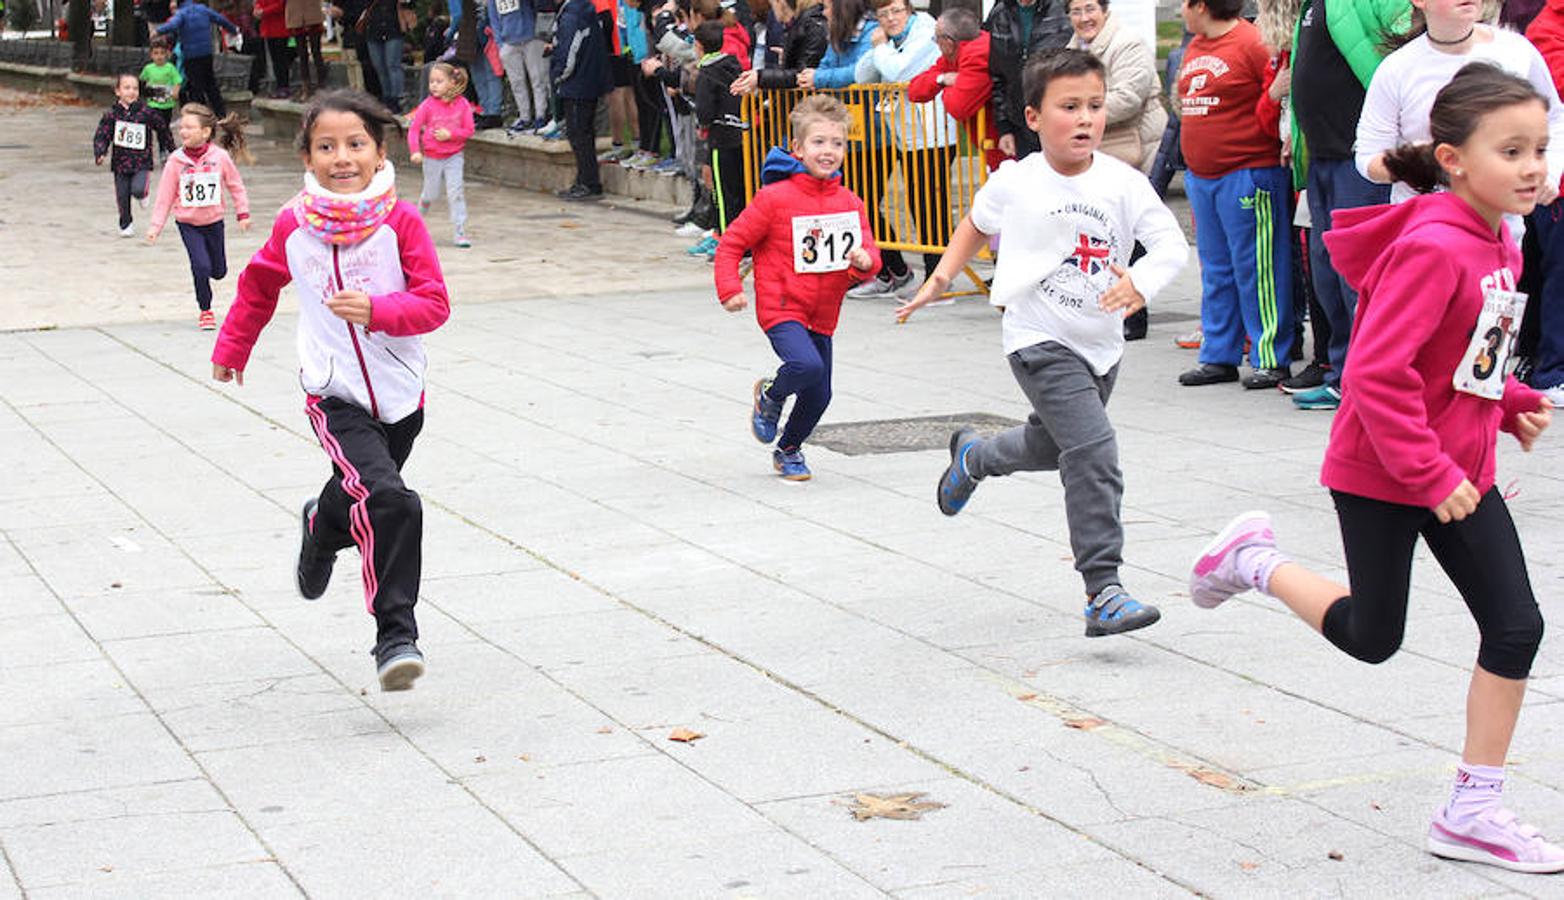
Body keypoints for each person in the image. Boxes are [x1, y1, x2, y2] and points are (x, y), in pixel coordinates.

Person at [1190, 64, 1563, 874]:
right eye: (1513, 150)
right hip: (1384, 472)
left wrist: (1508, 398)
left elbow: (1466, 350)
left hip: (1458, 469)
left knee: (1516, 625)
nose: (1534, 166)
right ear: (1455, 158)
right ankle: (1252, 559)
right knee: (1372, 637)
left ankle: (1472, 808)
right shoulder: (1435, 245)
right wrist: (1431, 474)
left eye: (1540, 146)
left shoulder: (1498, 232)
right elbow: (1375, 374)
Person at [897, 50, 1188, 637]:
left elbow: (1171, 246)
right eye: (1069, 107)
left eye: (1095, 107)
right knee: (1094, 451)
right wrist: (939, 279)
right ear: (1033, 117)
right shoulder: (1018, 180)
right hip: (1038, 338)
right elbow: (976, 223)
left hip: (1100, 345)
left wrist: (1140, 282)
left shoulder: (1124, 184)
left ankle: (974, 457)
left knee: (1056, 446)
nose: (1086, 119)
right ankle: (1103, 589)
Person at [213, 90, 451, 692]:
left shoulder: (401, 221)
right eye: (326, 146)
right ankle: (395, 636)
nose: (341, 158)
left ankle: (324, 524)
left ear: (378, 152)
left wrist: (379, 309)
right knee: (392, 501)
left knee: (366, 494)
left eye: (355, 145)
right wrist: (233, 346)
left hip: (400, 395)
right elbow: (260, 282)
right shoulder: (295, 221)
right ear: (308, 155)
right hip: (333, 390)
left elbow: (434, 304)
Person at [714, 95, 882, 481]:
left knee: (820, 393)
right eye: (818, 142)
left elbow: (869, 254)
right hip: (782, 305)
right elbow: (731, 244)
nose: (828, 152)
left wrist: (864, 262)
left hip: (823, 312)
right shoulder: (774, 199)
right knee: (806, 365)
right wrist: (729, 289)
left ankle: (789, 449)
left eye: (837, 143)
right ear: (798, 149)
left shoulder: (849, 202)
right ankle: (771, 395)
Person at [1280, 0, 1403, 410]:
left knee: (1360, 277)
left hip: (1359, 162)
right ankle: (1341, 373)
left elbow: (1405, 47)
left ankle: (1368, 380)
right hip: (1321, 157)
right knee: (1326, 274)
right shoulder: (1311, 6)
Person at [1174, 0, 1295, 390]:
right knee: (1216, 270)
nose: (1180, 12)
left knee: (1257, 269)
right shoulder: (1197, 45)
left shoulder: (1251, 42)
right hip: (1203, 176)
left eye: (1184, 4)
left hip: (1247, 171)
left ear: (1202, 6)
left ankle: (1271, 356)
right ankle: (1219, 354)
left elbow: (1276, 99)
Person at [1355, 0, 1564, 215]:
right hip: (1425, 227)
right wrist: (1418, 163)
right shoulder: (1396, 69)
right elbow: (1368, 156)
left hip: (1502, 231)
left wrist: (1550, 172)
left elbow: (1556, 118)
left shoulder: (1515, 50)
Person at [843, 0, 952, 298]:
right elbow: (863, 76)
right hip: (907, 133)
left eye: (896, 11)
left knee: (931, 205)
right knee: (919, 202)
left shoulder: (926, 29)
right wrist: (879, 49)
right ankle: (933, 275)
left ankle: (939, 277)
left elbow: (901, 70)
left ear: (909, 10)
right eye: (883, 14)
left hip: (935, 132)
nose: (890, 19)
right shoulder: (890, 41)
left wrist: (879, 48)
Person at [146, 103, 253, 329]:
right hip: (188, 223)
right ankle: (205, 309)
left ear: (205, 132)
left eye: (189, 127)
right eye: (181, 127)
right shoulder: (176, 161)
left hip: (214, 222)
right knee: (200, 266)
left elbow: (235, 185)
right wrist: (155, 226)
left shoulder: (220, 157)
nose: (183, 131)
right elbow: (165, 196)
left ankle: (214, 274)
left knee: (219, 270)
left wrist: (242, 212)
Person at [1064, 0, 1164, 172]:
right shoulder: (1070, 52)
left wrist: (1073, 112)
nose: (1084, 18)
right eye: (1076, 12)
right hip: (1102, 148)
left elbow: (1127, 100)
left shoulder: (1129, 44)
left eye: (1090, 9)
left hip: (1139, 145)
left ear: (1104, 10)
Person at [908, 7, 1001, 171]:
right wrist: (943, 79)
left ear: (948, 42)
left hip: (1004, 147)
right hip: (994, 148)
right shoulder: (953, 56)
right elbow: (915, 90)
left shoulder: (976, 54)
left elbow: (959, 107)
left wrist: (948, 84)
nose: (936, 43)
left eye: (936, 39)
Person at [984, 0, 1072, 161]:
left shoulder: (1061, 11)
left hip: (1060, 121)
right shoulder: (1000, 14)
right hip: (1020, 124)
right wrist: (1004, 128)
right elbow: (998, 76)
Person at [93, 70, 176, 238]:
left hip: (141, 161)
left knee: (137, 189)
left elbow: (162, 129)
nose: (131, 92)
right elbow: (102, 134)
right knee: (122, 196)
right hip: (120, 163)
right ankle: (126, 223)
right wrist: (100, 151)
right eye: (126, 88)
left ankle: (143, 194)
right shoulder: (111, 115)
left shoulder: (147, 112)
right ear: (117, 91)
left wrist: (171, 149)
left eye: (135, 88)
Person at [409, 61, 476, 246]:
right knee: (431, 194)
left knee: (456, 192)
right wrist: (415, 151)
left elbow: (469, 130)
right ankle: (416, 221)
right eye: (431, 81)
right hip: (432, 157)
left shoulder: (462, 105)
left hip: (454, 156)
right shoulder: (427, 105)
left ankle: (460, 231)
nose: (434, 85)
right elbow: (414, 130)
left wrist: (451, 135)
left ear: (452, 83)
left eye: (439, 81)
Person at [553, 0, 615, 199]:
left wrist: (558, 75)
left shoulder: (573, 14)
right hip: (586, 80)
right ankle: (584, 180)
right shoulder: (582, 9)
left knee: (580, 134)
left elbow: (569, 50)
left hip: (578, 83)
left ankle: (589, 183)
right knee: (582, 134)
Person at [694, 21, 746, 238]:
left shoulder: (706, 73)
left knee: (723, 194)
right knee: (739, 190)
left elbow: (704, 112)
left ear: (698, 45)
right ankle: (742, 238)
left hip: (721, 137)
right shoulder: (734, 65)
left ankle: (726, 239)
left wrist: (702, 124)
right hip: (740, 134)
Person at [157, 0, 240, 116]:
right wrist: (233, 30)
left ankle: (201, 116)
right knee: (211, 85)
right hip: (206, 53)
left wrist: (158, 31)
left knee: (196, 88)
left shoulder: (182, 13)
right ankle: (221, 114)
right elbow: (221, 19)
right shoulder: (203, 9)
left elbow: (173, 25)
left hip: (191, 56)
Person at [490, 0, 550, 132]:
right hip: (509, 42)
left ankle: (541, 115)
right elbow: (493, 18)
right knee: (517, 82)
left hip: (532, 37)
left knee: (538, 78)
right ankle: (524, 117)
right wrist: (500, 44)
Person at [797, 0, 877, 91]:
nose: (823, 13)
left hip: (869, 102)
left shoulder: (872, 31)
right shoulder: (838, 34)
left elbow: (861, 70)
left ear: (840, 9)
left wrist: (818, 78)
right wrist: (808, 78)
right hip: (844, 102)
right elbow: (825, 66)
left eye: (826, 8)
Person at [140, 38, 183, 131]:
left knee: (164, 127)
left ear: (167, 54)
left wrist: (176, 90)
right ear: (151, 55)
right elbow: (142, 81)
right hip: (152, 103)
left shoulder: (170, 68)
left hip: (166, 104)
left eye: (162, 53)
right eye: (156, 53)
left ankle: (165, 143)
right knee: (149, 125)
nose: (159, 56)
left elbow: (178, 80)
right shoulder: (148, 68)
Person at [285, 0, 327, 95]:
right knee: (302, 55)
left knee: (316, 52)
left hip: (313, 15)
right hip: (295, 16)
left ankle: (322, 85)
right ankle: (306, 87)